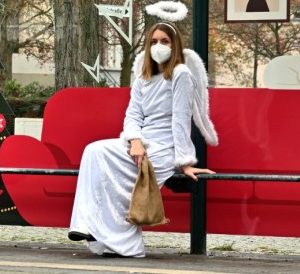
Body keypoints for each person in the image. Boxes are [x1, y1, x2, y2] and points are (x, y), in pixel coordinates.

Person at [68, 21, 217, 257]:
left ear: (174, 45)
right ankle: (88, 226)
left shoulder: (181, 74)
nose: (159, 46)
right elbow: (132, 115)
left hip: (164, 147)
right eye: (154, 42)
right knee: (93, 151)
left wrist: (185, 161)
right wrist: (135, 141)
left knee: (126, 183)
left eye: (165, 41)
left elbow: (181, 119)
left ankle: (117, 239)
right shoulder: (143, 78)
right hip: (140, 143)